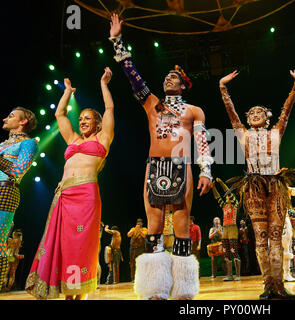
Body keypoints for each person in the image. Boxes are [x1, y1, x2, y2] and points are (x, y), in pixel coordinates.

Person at [108, 13, 212, 300]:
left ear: (183, 85)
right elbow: (131, 73)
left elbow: (202, 142)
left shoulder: (194, 111)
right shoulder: (151, 103)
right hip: (154, 166)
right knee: (153, 226)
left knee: (181, 223)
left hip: (183, 166)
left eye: (174, 77)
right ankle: (155, 290)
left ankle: (183, 291)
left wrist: (206, 172)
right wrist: (117, 40)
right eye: (166, 76)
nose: (168, 78)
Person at [26, 68, 115, 300]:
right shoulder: (73, 139)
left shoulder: (103, 138)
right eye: (81, 118)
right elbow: (60, 115)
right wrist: (67, 92)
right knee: (64, 244)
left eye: (88, 118)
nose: (82, 121)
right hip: (64, 195)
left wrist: (104, 84)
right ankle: (66, 291)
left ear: (97, 123)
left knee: (82, 245)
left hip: (86, 195)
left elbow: (109, 109)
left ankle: (80, 292)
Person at [220, 64, 295, 300]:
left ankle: (279, 285)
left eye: (260, 112)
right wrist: (222, 88)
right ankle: (268, 285)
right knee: (261, 238)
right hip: (254, 188)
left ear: (267, 118)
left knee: (276, 236)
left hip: (275, 185)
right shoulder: (243, 134)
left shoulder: (276, 132)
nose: (255, 114)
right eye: (251, 113)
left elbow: (286, 111)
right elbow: (232, 113)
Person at [0, 107, 37, 288]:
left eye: (11, 115)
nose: (6, 118)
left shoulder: (29, 143)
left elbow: (17, 171)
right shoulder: (2, 146)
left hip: (5, 191)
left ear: (23, 122)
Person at [211, 177, 241, 281]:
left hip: (232, 228)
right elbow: (217, 197)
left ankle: (237, 275)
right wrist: (213, 187)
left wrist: (221, 182)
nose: (227, 197)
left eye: (228, 196)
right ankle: (229, 275)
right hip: (225, 229)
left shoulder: (235, 204)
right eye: (227, 197)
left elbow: (228, 191)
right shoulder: (225, 206)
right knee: (226, 251)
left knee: (234, 250)